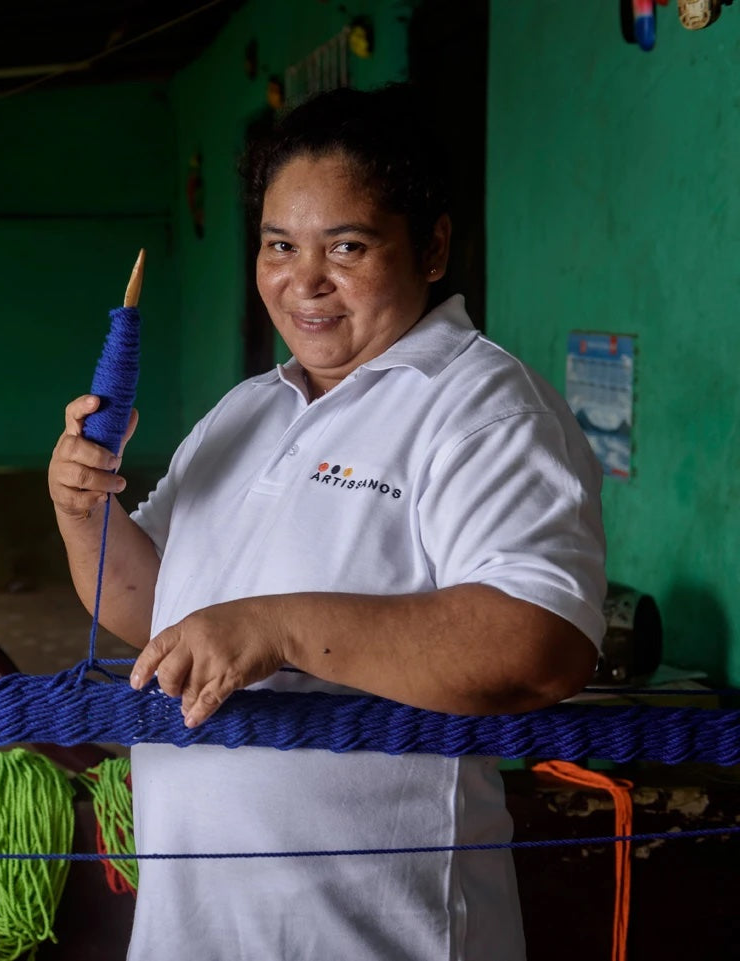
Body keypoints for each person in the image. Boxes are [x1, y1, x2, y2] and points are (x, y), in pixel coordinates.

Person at [47, 84, 606, 961]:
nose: (303, 281)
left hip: (378, 936)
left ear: (432, 247)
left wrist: (278, 629)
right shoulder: (246, 409)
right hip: (194, 933)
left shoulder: (482, 408)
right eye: (280, 245)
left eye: (347, 246)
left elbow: (539, 645)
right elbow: (154, 613)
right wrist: (85, 512)